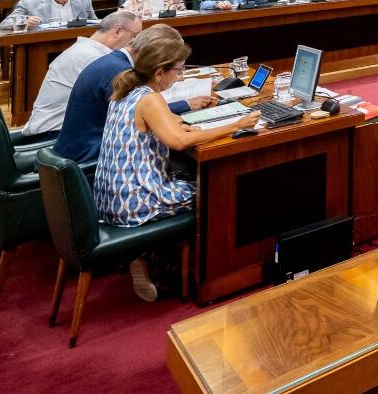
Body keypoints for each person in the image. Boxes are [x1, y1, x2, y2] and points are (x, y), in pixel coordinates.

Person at [94, 31, 258, 299]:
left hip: (110, 197)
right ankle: (214, 276)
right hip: (136, 199)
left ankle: (148, 258)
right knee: (219, 189)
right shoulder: (149, 98)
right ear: (160, 72)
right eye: (178, 71)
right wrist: (235, 126)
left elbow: (176, 124)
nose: (179, 77)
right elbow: (179, 141)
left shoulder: (126, 88)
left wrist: (214, 122)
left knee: (190, 176)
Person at [54, 24, 210, 163]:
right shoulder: (120, 72)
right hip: (88, 154)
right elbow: (149, 115)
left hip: (76, 146)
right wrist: (185, 110)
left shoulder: (114, 61)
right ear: (156, 52)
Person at [22, 11, 143, 134]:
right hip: (53, 133)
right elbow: (127, 103)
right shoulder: (94, 58)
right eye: (135, 37)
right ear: (117, 31)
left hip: (56, 129)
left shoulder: (85, 49)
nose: (135, 45)